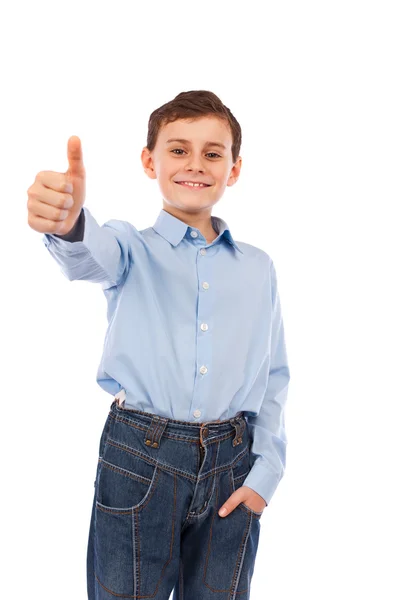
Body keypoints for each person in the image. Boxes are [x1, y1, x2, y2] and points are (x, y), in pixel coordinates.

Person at [27, 90, 290, 600]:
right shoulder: (130, 247)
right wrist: (67, 220)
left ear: (233, 169)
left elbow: (273, 375)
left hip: (231, 466)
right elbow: (88, 252)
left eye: (213, 153)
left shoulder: (259, 268)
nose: (196, 164)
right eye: (178, 149)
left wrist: (266, 474)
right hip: (140, 458)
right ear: (150, 161)